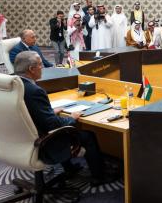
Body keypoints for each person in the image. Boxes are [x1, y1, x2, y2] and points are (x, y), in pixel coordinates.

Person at [14, 51, 114, 186]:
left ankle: (69, 168)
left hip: (18, 138)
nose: (42, 67)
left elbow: (26, 111)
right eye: (40, 64)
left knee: (64, 129)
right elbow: (52, 124)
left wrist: (49, 112)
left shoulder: (12, 85)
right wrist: (71, 117)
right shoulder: (34, 91)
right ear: (31, 69)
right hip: (41, 143)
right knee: (87, 136)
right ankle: (99, 176)